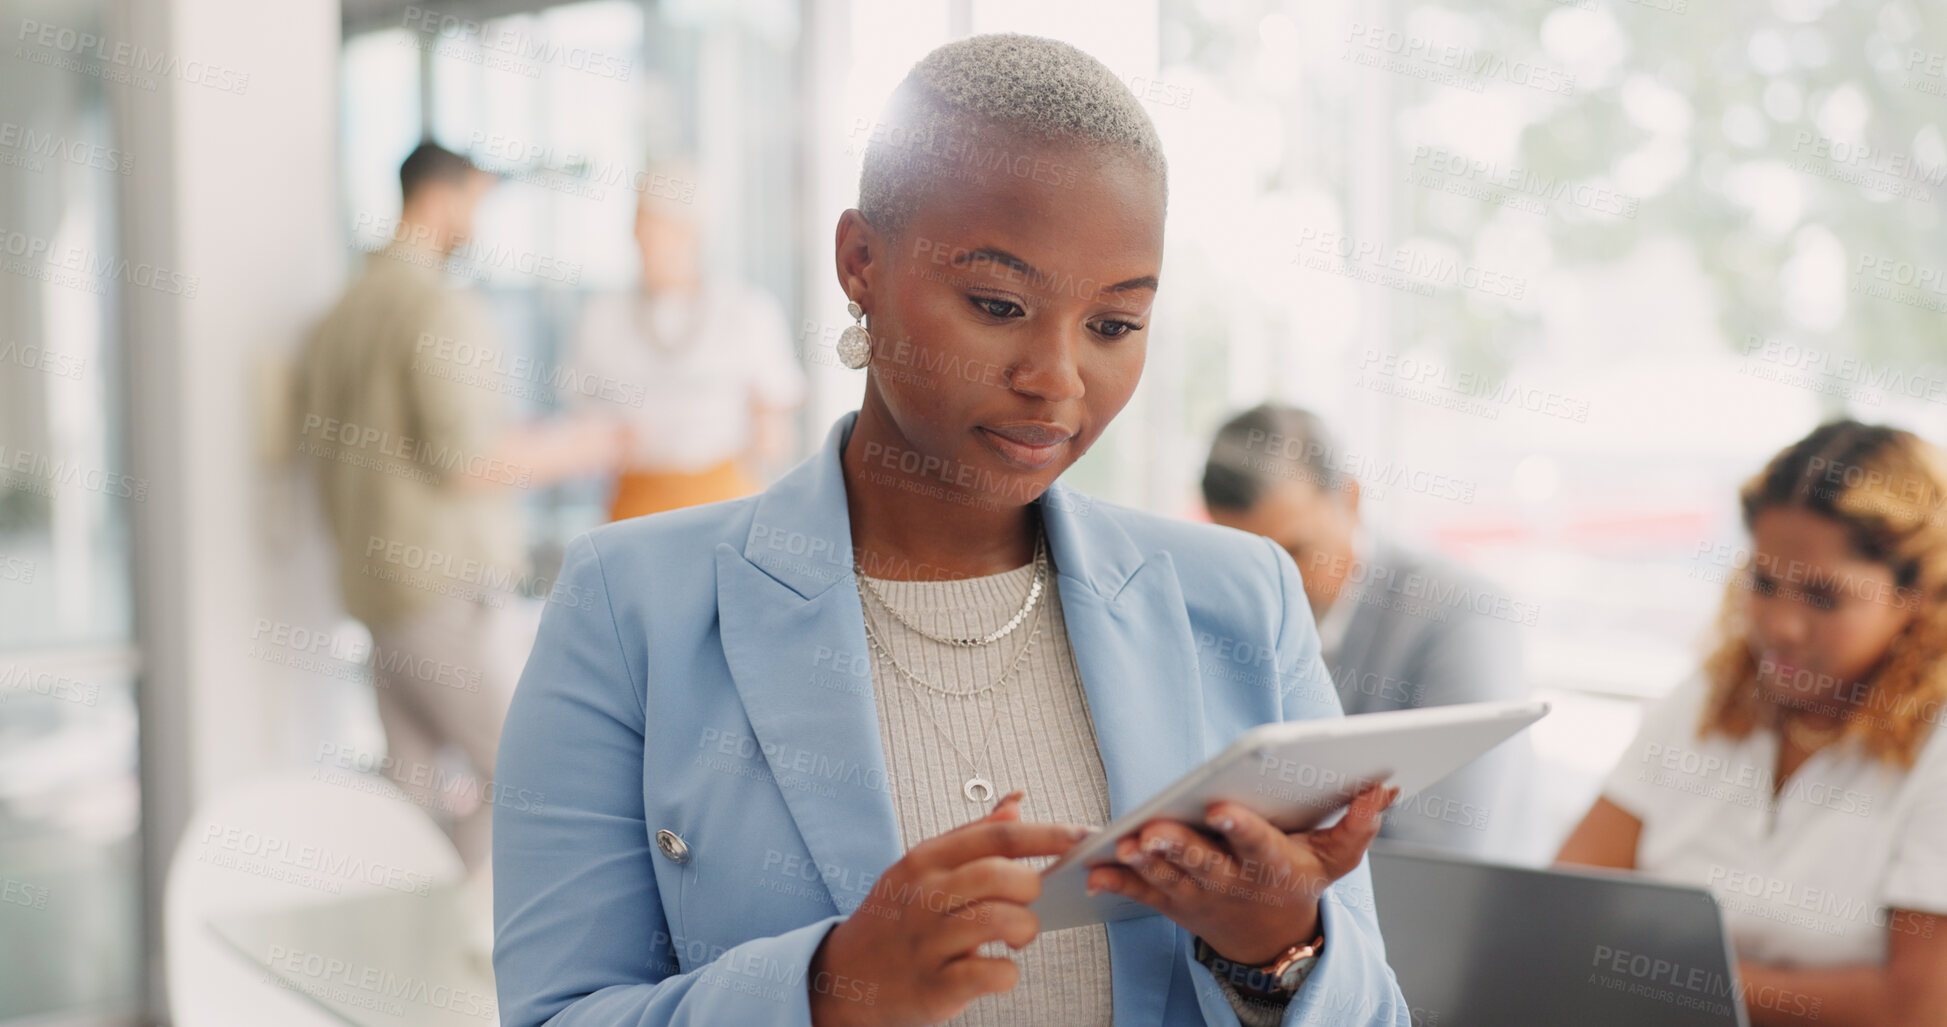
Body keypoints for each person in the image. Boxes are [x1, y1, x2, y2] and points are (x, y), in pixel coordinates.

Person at [493, 35, 1411, 1027]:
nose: (1057, 378)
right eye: (998, 304)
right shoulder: (630, 609)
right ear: (861, 263)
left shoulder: (1242, 598)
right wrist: (828, 994)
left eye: (1113, 325)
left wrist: (1280, 948)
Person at [293, 141, 626, 872]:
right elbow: (471, 460)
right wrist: (596, 441)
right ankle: (461, 947)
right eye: (476, 202)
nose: (479, 220)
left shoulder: (341, 312)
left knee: (409, 789)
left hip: (376, 592)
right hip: (440, 593)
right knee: (522, 779)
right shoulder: (435, 305)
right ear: (443, 199)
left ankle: (399, 961)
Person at [1558, 420, 1947, 1025]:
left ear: (1918, 593)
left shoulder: (1937, 742)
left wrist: (1659, 973)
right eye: (1764, 583)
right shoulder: (1708, 697)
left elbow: (1916, 1009)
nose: (1782, 627)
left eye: (1824, 597)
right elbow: (1564, 905)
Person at [1202, 403, 1533, 859]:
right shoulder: (1226, 624)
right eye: (1251, 562)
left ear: (1351, 498)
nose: (1277, 588)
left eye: (1297, 551)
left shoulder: (1462, 619)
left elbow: (1443, 856)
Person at [567, 161, 806, 520]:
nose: (644, 238)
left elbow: (775, 436)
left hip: (726, 505)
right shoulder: (602, 315)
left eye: (657, 225)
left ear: (692, 231)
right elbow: (584, 423)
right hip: (635, 508)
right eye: (639, 224)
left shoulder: (746, 311)